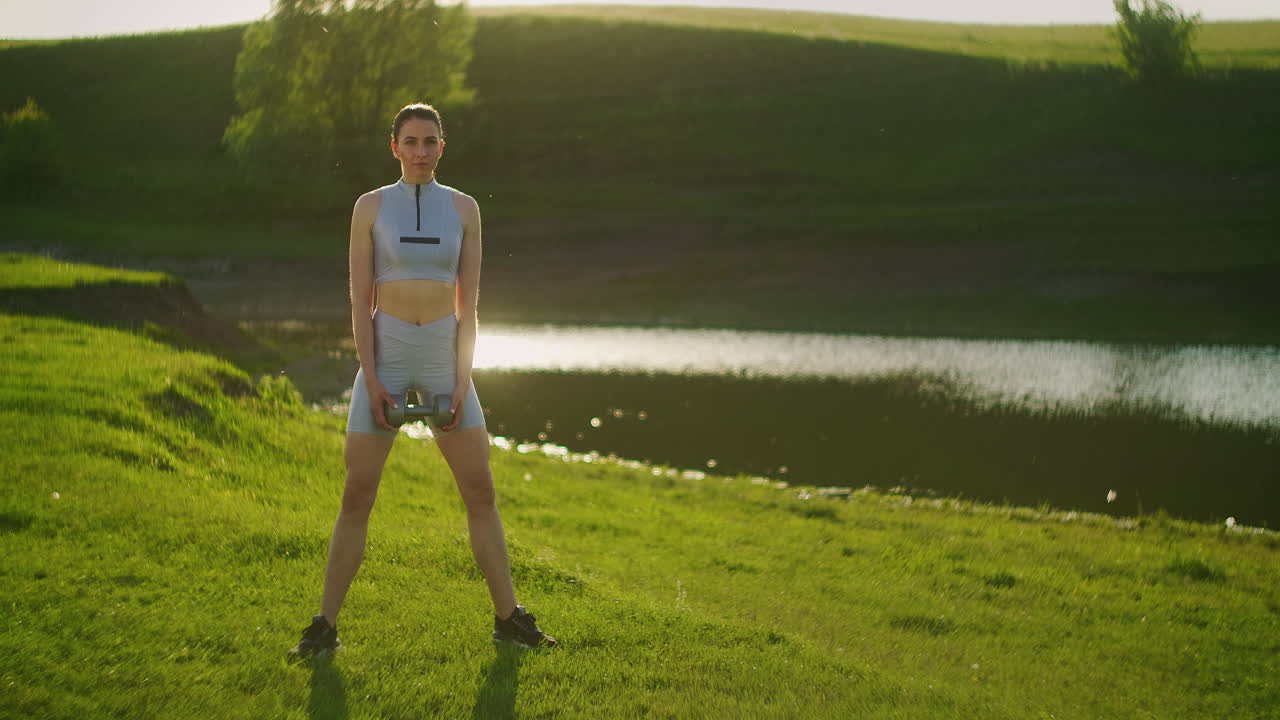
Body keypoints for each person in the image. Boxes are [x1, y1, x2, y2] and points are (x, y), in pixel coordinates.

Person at [289, 102, 556, 659]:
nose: (420, 152)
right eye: (410, 141)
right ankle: (324, 627)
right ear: (394, 147)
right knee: (357, 492)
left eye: (430, 142)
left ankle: (509, 618)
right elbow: (360, 302)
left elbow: (470, 305)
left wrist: (461, 381)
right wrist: (373, 372)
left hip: (442, 354)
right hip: (385, 355)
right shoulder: (369, 207)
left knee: (479, 490)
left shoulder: (464, 209)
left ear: (442, 147)